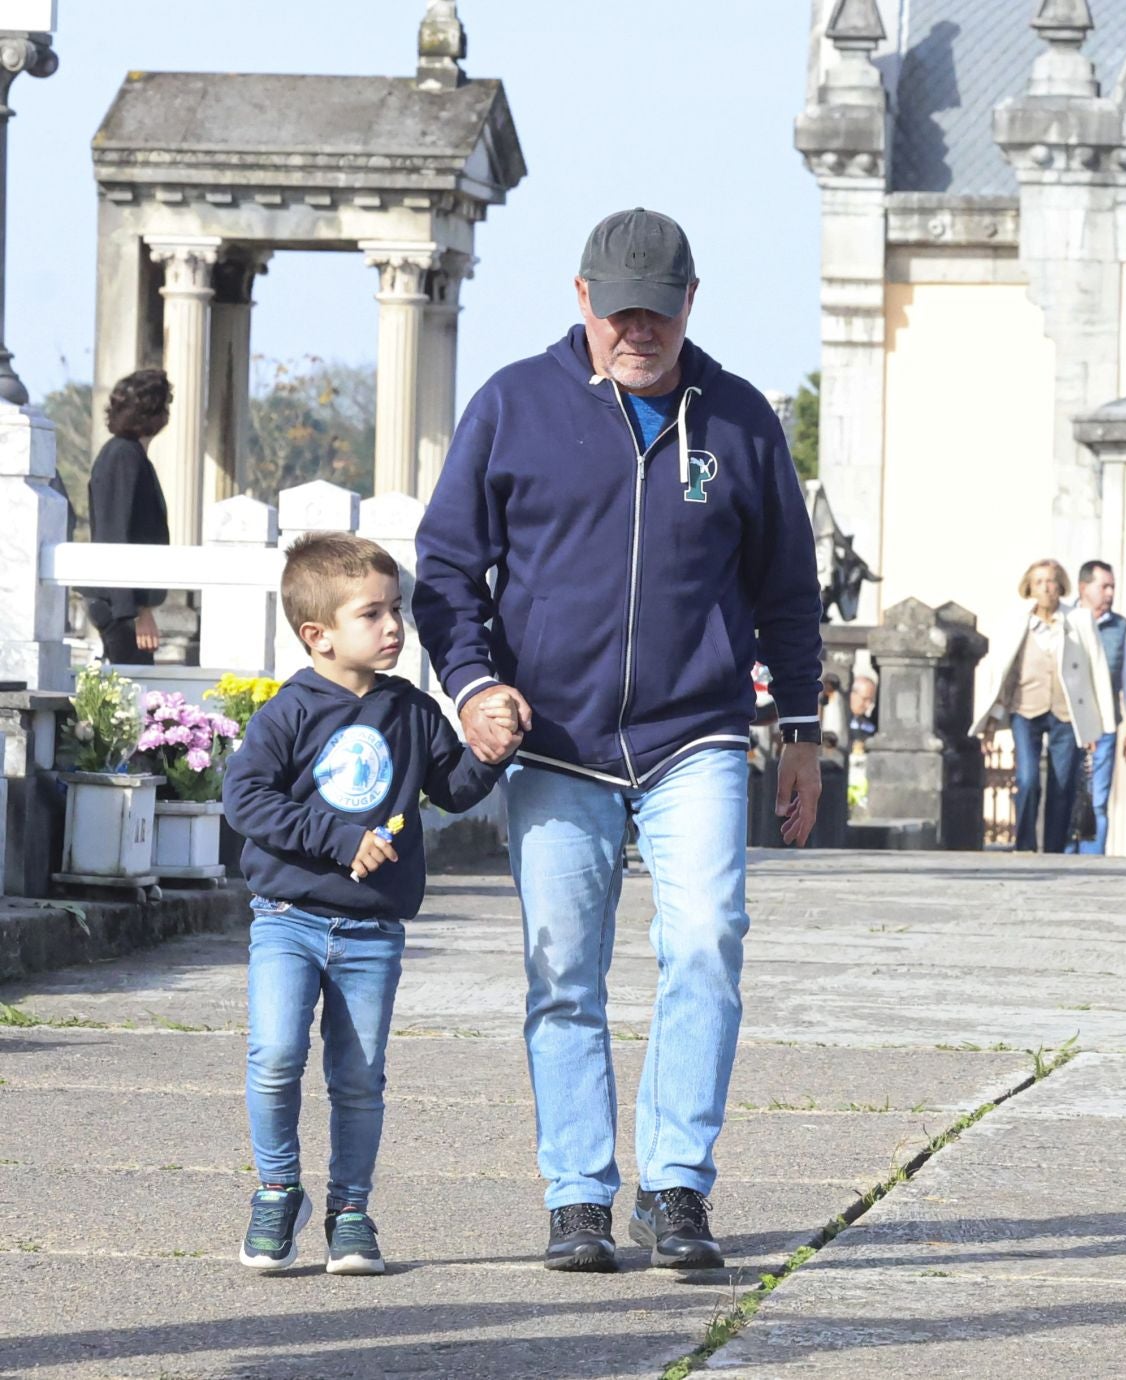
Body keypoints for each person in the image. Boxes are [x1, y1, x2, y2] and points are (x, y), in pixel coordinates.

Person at [413, 208, 824, 1274]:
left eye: (661, 308)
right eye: (620, 308)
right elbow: (447, 569)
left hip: (695, 733)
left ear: (692, 303)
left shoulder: (738, 420)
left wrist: (803, 733)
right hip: (554, 740)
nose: (638, 328)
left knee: (704, 943)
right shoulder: (513, 406)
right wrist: (471, 685)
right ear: (582, 297)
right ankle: (579, 1195)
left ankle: (677, 1185)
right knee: (563, 972)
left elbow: (788, 591)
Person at [223, 532, 515, 1275]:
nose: (393, 628)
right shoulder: (289, 712)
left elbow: (452, 788)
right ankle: (275, 1190)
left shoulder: (411, 711)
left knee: (358, 1077)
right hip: (287, 920)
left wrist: (492, 751)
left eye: (398, 611)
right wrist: (338, 837)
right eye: (372, 614)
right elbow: (244, 799)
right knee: (275, 1057)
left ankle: (351, 1211)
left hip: (372, 932)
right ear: (317, 635)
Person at [973, 559, 1112, 853]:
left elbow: (1097, 670)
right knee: (1027, 780)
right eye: (1039, 582)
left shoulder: (1079, 620)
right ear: (1029, 588)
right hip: (1025, 708)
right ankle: (1024, 845)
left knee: (1062, 786)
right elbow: (1004, 674)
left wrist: (1098, 726)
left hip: (1066, 713)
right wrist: (992, 719)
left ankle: (1053, 850)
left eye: (1051, 581)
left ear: (1061, 585)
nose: (1046, 588)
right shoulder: (1016, 622)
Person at [84, 369, 173, 665]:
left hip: (122, 604)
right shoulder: (123, 456)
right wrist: (136, 614)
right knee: (133, 698)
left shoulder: (128, 454)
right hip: (119, 607)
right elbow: (115, 535)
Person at [1067, 559, 1126, 855]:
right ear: (1084, 588)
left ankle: (1092, 860)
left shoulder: (1120, 627)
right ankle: (1061, 856)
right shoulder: (1066, 621)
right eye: (1104, 586)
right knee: (1065, 794)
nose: (1110, 592)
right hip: (1069, 724)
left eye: (1112, 586)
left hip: (1105, 725)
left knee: (1097, 799)